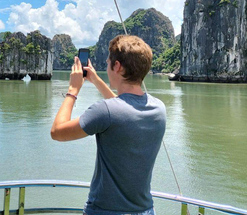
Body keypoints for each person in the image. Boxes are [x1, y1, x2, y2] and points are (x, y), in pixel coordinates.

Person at [51, 35, 166, 215]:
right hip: (145, 210)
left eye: (107, 63)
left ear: (117, 66)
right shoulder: (159, 108)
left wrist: (73, 91)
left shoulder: (105, 111)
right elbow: (124, 110)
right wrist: (96, 81)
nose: (106, 66)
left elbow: (57, 132)